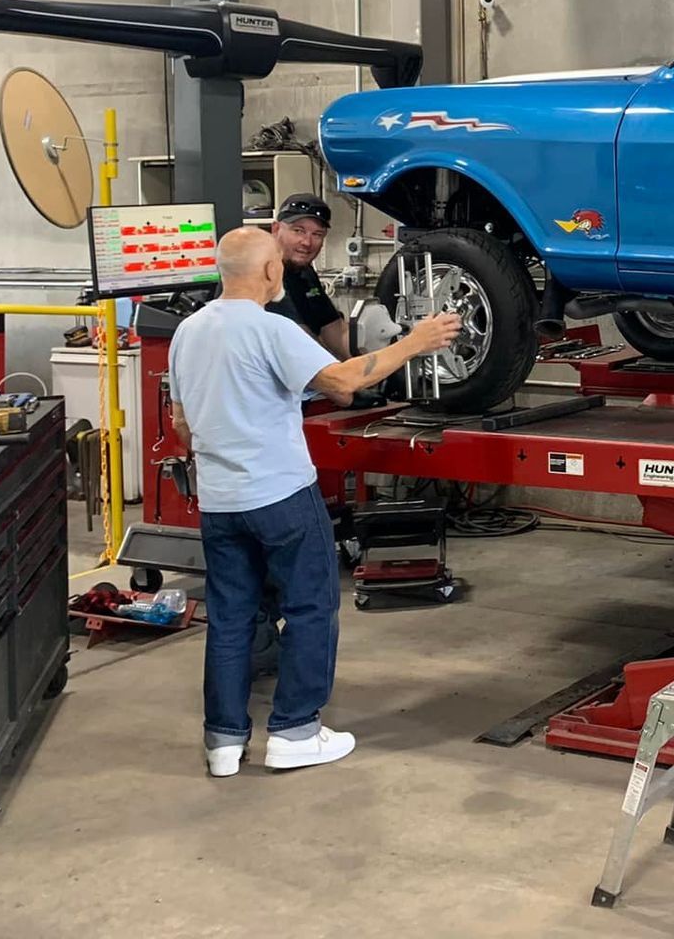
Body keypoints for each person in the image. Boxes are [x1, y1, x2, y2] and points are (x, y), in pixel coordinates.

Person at [169, 227, 461, 777]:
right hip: (280, 496)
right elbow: (341, 383)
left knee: (230, 617)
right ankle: (295, 731)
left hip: (219, 502)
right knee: (310, 607)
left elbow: (182, 422)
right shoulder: (270, 327)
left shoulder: (188, 331)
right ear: (270, 271)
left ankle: (224, 742)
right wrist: (415, 342)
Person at [267, 193, 350, 359]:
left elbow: (335, 331)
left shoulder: (304, 271)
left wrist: (373, 358)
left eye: (317, 234)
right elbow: (300, 341)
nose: (307, 242)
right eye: (298, 231)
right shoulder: (262, 271)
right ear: (276, 229)